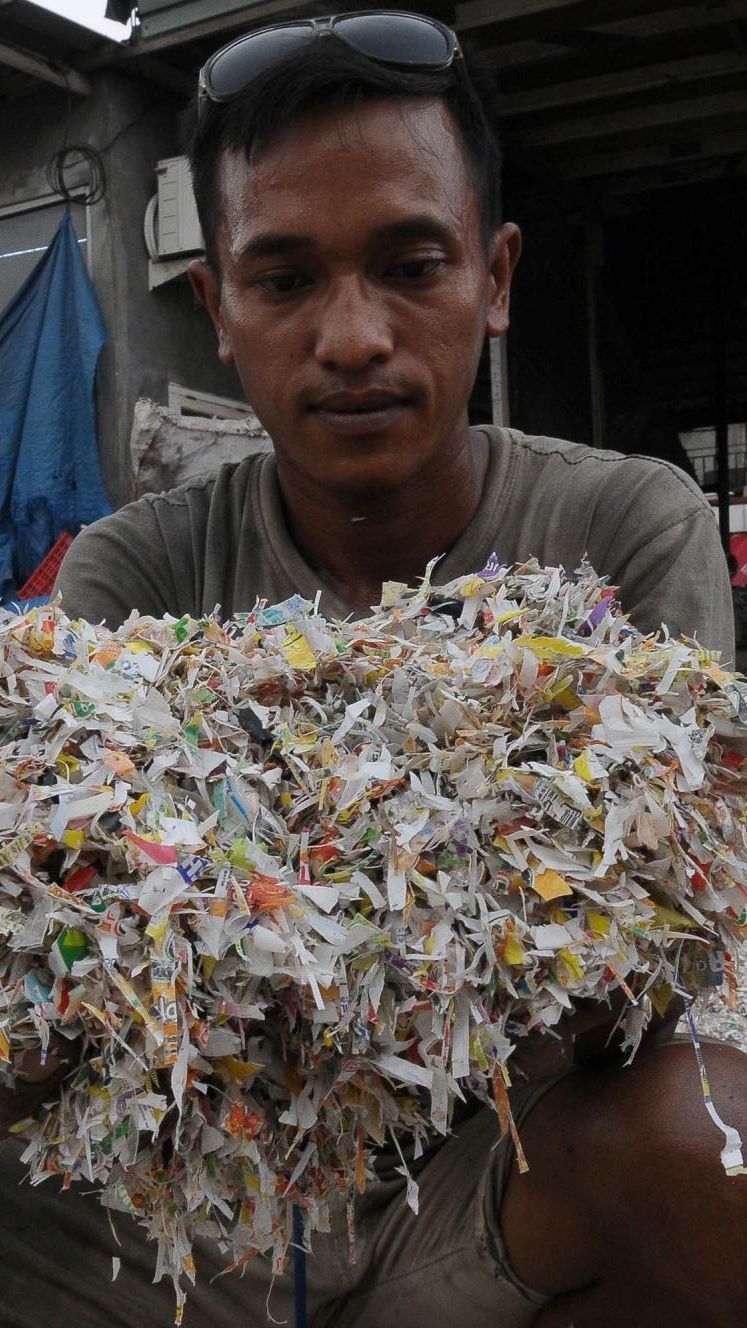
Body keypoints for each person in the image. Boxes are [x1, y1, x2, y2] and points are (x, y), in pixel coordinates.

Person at [2, 12, 745, 1327]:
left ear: (497, 277)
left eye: (411, 264)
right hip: (197, 1212)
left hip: (485, 1178)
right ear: (216, 308)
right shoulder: (133, 573)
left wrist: (256, 883)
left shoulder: (627, 530)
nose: (352, 336)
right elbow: (86, 952)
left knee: (717, 1136)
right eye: (284, 280)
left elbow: (656, 941)